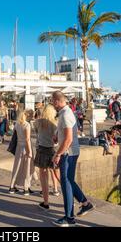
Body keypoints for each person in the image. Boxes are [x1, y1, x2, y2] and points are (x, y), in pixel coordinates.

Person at [51, 91, 94, 227]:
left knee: (66, 183)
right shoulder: (66, 112)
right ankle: (85, 203)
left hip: (68, 153)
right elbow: (67, 132)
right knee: (68, 180)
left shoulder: (65, 114)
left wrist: (58, 154)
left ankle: (69, 218)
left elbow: (69, 138)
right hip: (71, 152)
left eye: (53, 101)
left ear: (58, 101)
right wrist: (58, 134)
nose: (52, 104)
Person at [34, 104, 60, 210]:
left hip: (41, 149)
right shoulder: (55, 124)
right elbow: (56, 140)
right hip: (52, 150)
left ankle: (46, 202)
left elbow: (37, 134)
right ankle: (67, 197)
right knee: (57, 175)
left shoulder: (38, 123)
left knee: (43, 177)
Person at [9, 110, 36, 196]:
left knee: (16, 166)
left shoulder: (17, 124)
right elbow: (27, 139)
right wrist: (29, 152)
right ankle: (26, 188)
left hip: (18, 147)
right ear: (28, 116)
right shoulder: (27, 125)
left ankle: (12, 186)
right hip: (26, 147)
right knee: (27, 167)